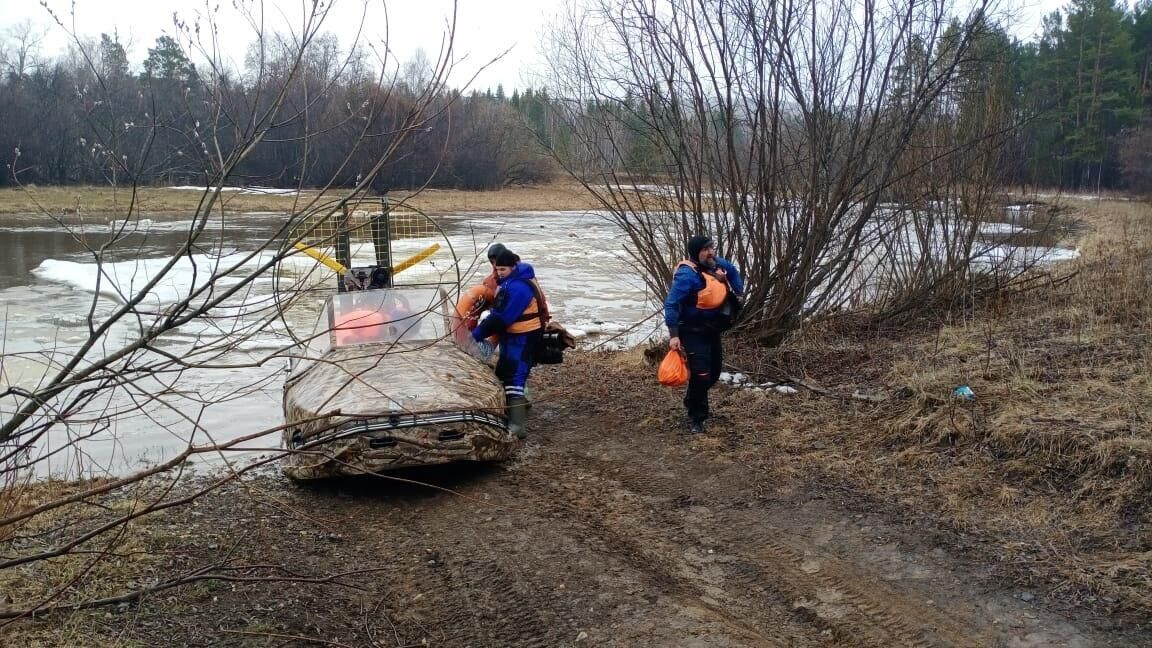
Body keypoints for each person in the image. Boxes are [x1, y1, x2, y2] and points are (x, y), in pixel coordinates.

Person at [664, 235, 744, 434]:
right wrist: (674, 334)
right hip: (691, 331)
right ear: (696, 253)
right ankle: (697, 418)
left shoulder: (716, 264)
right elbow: (671, 304)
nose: (711, 252)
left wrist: (739, 292)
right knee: (701, 374)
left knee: (714, 373)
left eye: (712, 248)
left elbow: (733, 271)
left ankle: (692, 399)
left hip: (711, 329)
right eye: (705, 249)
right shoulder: (686, 275)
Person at [471, 248, 547, 439]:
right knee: (503, 373)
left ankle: (517, 426)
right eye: (497, 270)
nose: (498, 273)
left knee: (515, 378)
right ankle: (507, 416)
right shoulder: (511, 283)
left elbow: (501, 318)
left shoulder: (518, 288)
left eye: (503, 270)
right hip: (513, 337)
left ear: (513, 267)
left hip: (525, 338)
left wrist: (475, 335)